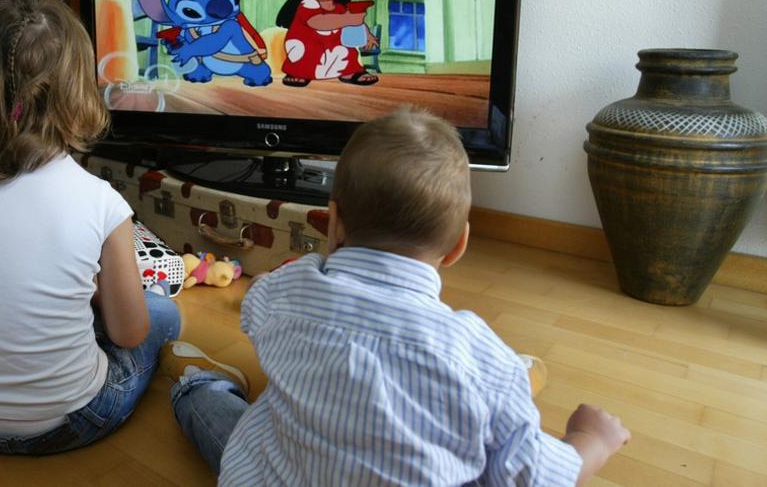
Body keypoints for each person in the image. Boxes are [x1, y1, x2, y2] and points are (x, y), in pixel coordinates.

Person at [162, 106, 629, 485]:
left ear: (332, 220)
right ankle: (497, 410)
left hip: (283, 469)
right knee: (490, 453)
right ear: (459, 245)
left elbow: (255, 310)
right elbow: (536, 476)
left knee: (220, 419)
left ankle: (196, 386)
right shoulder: (477, 355)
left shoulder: (288, 289)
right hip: (479, 389)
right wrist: (591, 440)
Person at [0, 0, 181, 455]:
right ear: (78, 95)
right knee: (161, 313)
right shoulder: (100, 201)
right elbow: (128, 334)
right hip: (70, 420)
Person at [274, 0, 379, 87]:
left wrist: (368, 35)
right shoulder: (308, 4)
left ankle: (350, 72)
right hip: (308, 48)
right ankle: (299, 73)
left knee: (347, 49)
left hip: (334, 51)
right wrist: (348, 20)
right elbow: (317, 22)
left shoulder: (341, 8)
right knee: (306, 53)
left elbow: (356, 23)